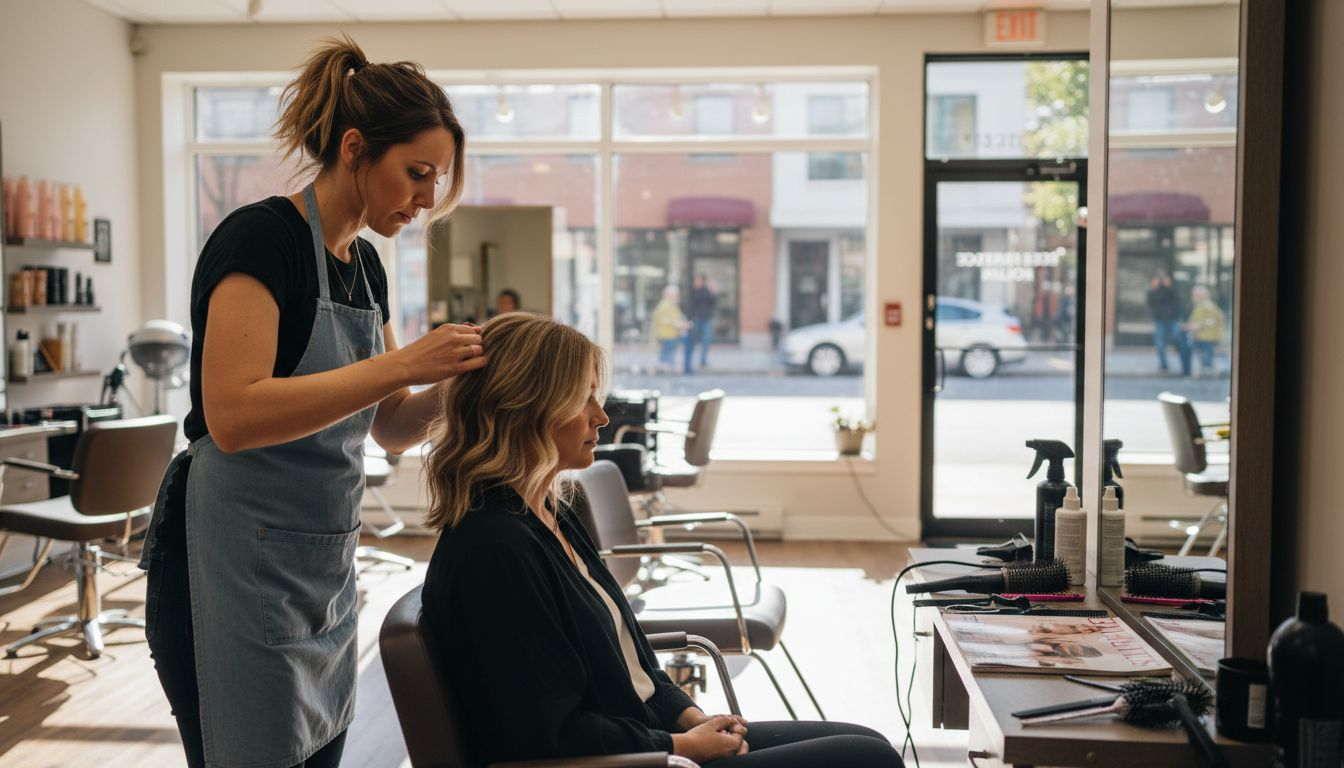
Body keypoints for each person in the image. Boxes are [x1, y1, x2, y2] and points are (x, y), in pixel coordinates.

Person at [138, 37, 484, 768]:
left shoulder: (365, 269)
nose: (425, 200)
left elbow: (387, 427)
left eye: (438, 180)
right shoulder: (261, 241)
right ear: (355, 148)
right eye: (416, 174)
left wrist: (457, 383)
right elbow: (233, 416)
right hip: (227, 561)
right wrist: (401, 362)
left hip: (319, 571)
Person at [420, 313, 904, 768]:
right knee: (869, 760)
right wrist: (679, 745)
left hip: (646, 735)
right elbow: (543, 733)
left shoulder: (547, 513)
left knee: (871, 744)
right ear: (527, 407)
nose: (601, 417)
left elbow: (629, 656)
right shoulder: (495, 549)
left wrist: (687, 714)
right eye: (583, 398)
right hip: (631, 761)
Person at [1146, 269, 1191, 376]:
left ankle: (1184, 363)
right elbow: (1151, 303)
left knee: (1178, 340)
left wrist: (1169, 287)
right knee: (1160, 344)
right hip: (1160, 321)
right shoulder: (1153, 292)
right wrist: (1154, 288)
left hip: (1173, 320)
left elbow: (1178, 302)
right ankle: (1164, 365)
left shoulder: (1171, 291)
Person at [1185, 285, 1226, 377]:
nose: (1193, 297)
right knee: (1205, 355)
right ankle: (1209, 371)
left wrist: (1196, 326)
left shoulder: (1207, 306)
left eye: (1195, 295)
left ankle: (1213, 371)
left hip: (1207, 336)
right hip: (1204, 336)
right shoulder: (1202, 305)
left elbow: (1211, 321)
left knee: (1206, 356)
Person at [651, 283, 688, 375]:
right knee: (667, 356)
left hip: (670, 335)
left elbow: (677, 318)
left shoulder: (671, 305)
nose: (676, 297)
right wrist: (681, 325)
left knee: (668, 355)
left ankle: (667, 372)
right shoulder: (665, 306)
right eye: (674, 295)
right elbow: (667, 320)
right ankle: (666, 374)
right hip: (666, 335)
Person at [684, 274, 717, 374]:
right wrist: (689, 319)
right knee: (692, 341)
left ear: (702, 281)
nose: (696, 282)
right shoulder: (693, 292)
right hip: (696, 319)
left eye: (698, 280)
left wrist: (713, 291)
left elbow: (713, 302)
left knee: (706, 341)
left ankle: (703, 361)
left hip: (706, 319)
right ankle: (689, 362)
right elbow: (689, 306)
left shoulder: (706, 291)